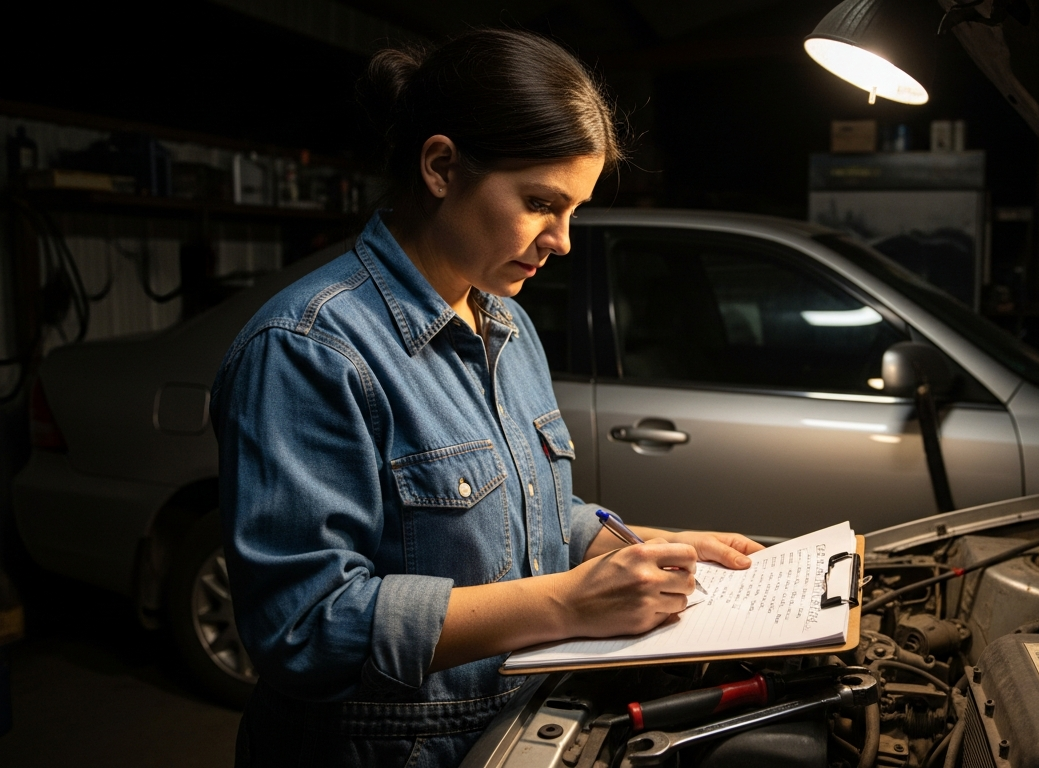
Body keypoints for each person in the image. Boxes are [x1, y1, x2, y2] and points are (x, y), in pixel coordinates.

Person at [211, 28, 763, 768]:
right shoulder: (308, 349)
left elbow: (521, 515)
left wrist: (647, 548)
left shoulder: (504, 321)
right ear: (441, 167)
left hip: (508, 731)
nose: (562, 240)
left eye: (573, 210)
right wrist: (567, 603)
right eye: (540, 203)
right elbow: (305, 628)